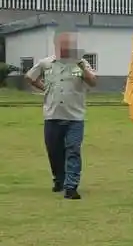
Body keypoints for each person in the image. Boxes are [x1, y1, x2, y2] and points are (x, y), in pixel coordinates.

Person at [24, 29, 98, 200]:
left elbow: (93, 82)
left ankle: (71, 187)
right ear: (57, 45)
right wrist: (45, 89)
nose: (66, 47)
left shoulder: (81, 63)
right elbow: (30, 77)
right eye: (63, 44)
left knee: (73, 150)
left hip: (75, 117)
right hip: (52, 115)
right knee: (54, 151)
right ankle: (59, 179)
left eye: (69, 44)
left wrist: (81, 66)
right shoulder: (46, 63)